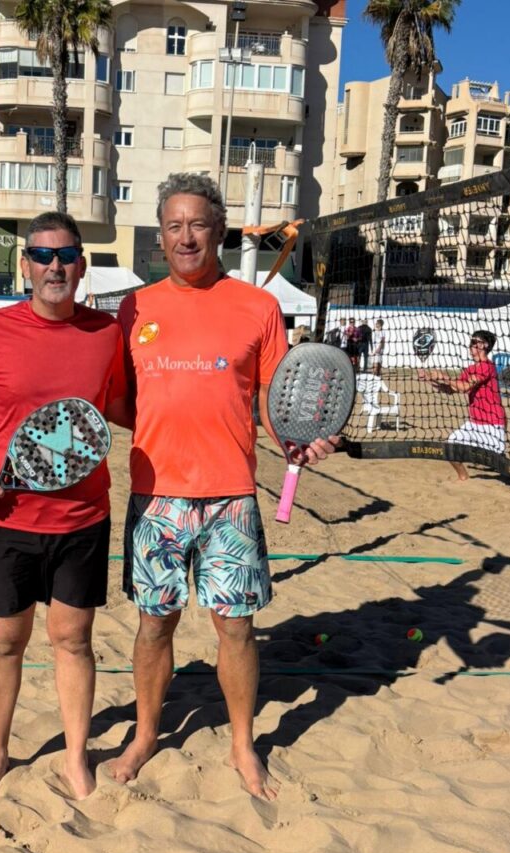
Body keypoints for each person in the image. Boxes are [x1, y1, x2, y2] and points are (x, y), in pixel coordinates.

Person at [108, 173, 337, 800]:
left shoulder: (258, 307)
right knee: (155, 624)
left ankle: (242, 743)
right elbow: (122, 401)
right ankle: (146, 733)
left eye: (198, 224)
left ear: (220, 230)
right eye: (175, 225)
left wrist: (295, 438)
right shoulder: (135, 308)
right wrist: (169, 421)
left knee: (235, 629)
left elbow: (272, 400)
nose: (187, 236)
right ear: (162, 236)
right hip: (155, 496)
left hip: (231, 495)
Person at [0, 211, 127, 801]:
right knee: (5, 642)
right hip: (6, 521)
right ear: (25, 266)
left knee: (73, 640)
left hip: (83, 519)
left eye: (65, 255)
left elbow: (117, 410)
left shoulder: (107, 333)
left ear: (82, 265)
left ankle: (74, 758)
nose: (54, 266)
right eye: (42, 255)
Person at [419, 328, 507, 482]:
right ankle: (463, 477)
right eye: (470, 342)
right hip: (474, 424)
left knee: (502, 466)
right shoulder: (470, 369)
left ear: (484, 345)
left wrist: (443, 376)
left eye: (474, 342)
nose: (470, 345)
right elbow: (453, 388)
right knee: (451, 445)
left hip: (492, 426)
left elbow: (465, 386)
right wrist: (431, 379)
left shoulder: (487, 366)